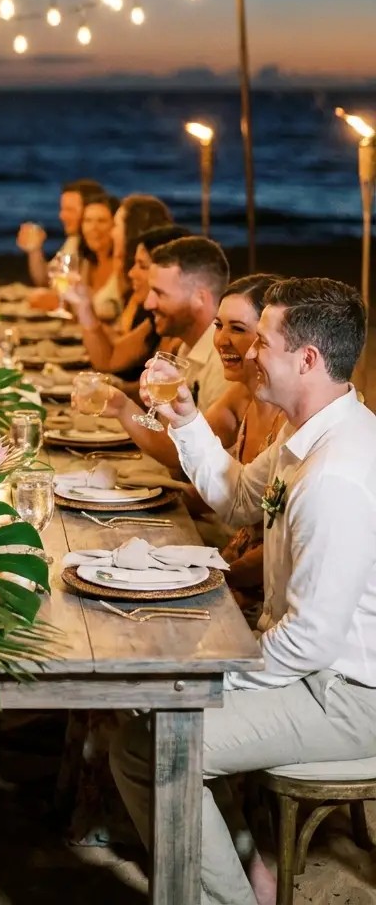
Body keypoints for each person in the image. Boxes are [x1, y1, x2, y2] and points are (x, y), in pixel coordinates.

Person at [110, 277, 376, 905]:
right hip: (312, 671)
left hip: (349, 696)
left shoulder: (336, 472)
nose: (248, 355)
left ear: (306, 360)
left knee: (150, 742)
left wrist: (208, 677)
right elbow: (236, 501)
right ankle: (241, 873)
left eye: (263, 343)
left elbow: (310, 640)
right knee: (152, 711)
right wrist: (186, 420)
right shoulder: (307, 434)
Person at [68, 222, 188, 378]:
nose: (132, 273)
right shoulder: (157, 318)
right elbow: (109, 360)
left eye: (142, 266)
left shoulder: (186, 332)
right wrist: (85, 308)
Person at [17, 178, 105, 287]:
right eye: (62, 209)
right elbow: (47, 280)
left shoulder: (102, 248)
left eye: (70, 210)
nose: (62, 216)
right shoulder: (73, 240)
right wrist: (35, 250)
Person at [77, 193, 123, 323]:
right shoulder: (86, 264)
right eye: (88, 221)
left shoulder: (122, 269)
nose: (93, 228)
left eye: (101, 221)